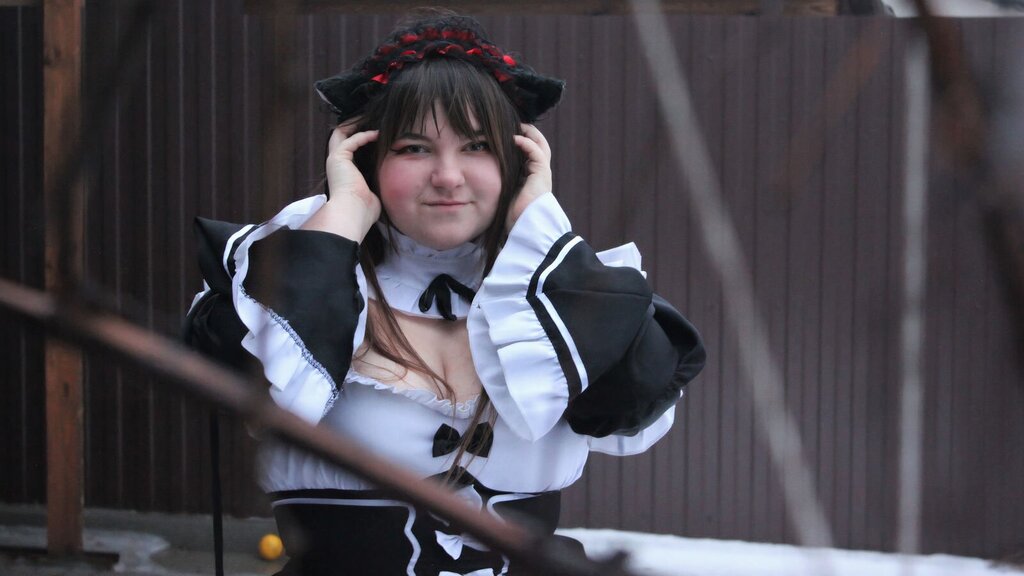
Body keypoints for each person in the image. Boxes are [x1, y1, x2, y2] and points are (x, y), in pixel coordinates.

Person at [185, 11, 705, 576]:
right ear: (366, 158)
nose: (448, 176)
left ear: (516, 161)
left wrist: (537, 225)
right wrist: (343, 215)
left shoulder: (561, 302)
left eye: (477, 146)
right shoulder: (290, 279)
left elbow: (628, 405)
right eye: (414, 148)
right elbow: (228, 382)